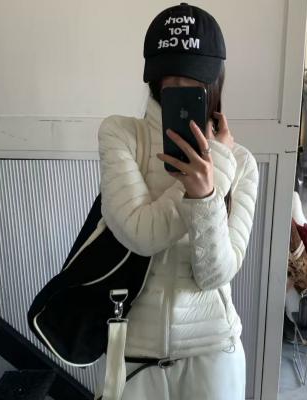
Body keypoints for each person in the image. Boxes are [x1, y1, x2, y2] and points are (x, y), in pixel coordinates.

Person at [96, 3, 259, 399]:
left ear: (215, 78)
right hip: (134, 352)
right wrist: (209, 168)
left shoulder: (241, 163)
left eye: (195, 77)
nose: (182, 85)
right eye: (170, 76)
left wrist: (209, 187)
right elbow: (141, 236)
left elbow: (215, 274)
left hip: (213, 352)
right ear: (153, 77)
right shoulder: (121, 135)